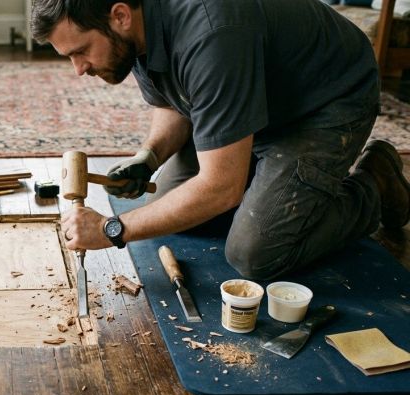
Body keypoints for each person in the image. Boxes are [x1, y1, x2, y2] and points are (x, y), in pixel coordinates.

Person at [32, 0, 410, 280]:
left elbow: (220, 188)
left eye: (80, 51)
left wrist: (111, 230)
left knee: (254, 253)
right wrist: (149, 156)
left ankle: (375, 183)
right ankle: (271, 184)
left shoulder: (210, 32)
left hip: (324, 102)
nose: (78, 69)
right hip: (257, 101)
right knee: (166, 205)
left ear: (120, 16)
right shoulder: (137, 29)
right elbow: (174, 99)